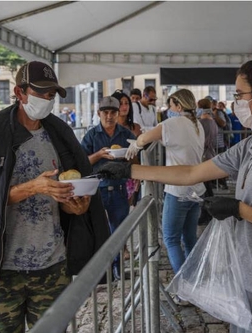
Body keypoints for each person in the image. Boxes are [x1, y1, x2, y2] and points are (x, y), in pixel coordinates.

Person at [101, 59, 252, 332]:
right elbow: (192, 172)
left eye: (240, 94)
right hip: (248, 278)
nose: (236, 101)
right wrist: (131, 171)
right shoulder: (251, 145)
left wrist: (241, 210)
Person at [0, 61, 110, 332]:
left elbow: (69, 196)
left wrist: (75, 207)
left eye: (52, 95)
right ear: (19, 92)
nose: (47, 100)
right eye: (41, 92)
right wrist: (33, 187)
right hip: (1, 272)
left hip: (52, 267)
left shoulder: (60, 133)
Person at [125, 89, 206, 279]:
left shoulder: (172, 123)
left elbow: (144, 138)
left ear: (178, 105)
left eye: (170, 105)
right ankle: (193, 281)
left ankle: (183, 286)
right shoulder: (197, 125)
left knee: (171, 239)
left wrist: (136, 145)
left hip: (178, 190)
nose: (169, 109)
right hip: (196, 189)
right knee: (189, 237)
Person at [81, 96, 136, 278]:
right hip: (97, 190)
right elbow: (83, 163)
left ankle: (118, 270)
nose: (109, 116)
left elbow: (136, 158)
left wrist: (128, 157)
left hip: (119, 190)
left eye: (113, 112)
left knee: (119, 232)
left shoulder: (126, 135)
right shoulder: (91, 135)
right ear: (99, 114)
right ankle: (101, 274)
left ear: (118, 113)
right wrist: (99, 155)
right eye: (106, 112)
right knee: (98, 232)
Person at [112, 89, 142, 208]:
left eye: (126, 103)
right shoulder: (109, 128)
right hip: (113, 173)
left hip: (132, 171)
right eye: (121, 103)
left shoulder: (135, 127)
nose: (124, 107)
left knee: (128, 209)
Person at [197, 98, 218, 225]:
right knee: (207, 187)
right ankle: (209, 212)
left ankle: (207, 214)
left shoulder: (202, 123)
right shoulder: (212, 122)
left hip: (203, 156)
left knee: (205, 188)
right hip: (210, 154)